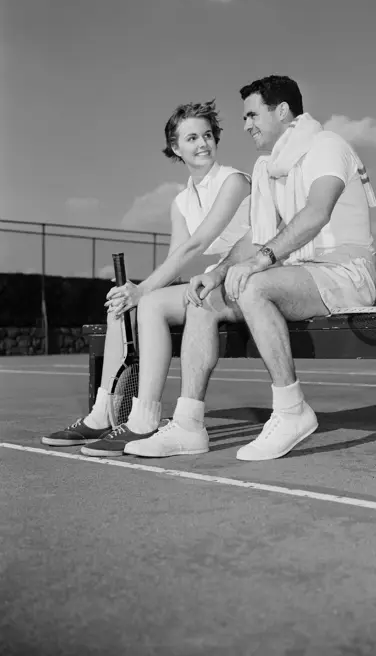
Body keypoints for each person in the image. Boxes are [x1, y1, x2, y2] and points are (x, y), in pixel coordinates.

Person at [125, 74, 376, 462]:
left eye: (252, 115)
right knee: (205, 300)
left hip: (344, 273)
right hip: (298, 274)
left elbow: (315, 213)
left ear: (281, 111)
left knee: (254, 286)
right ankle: (189, 425)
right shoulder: (266, 167)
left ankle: (292, 410)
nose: (246, 126)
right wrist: (217, 273)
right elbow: (254, 240)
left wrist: (261, 262)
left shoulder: (327, 145)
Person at [41, 100, 251, 456]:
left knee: (147, 299)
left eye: (208, 135)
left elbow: (197, 244)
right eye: (192, 138)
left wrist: (145, 292)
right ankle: (102, 414)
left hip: (242, 278)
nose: (202, 144)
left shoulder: (234, 181)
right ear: (175, 147)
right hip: (209, 283)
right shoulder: (181, 201)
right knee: (120, 306)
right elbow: (176, 259)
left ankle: (143, 420)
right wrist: (132, 294)